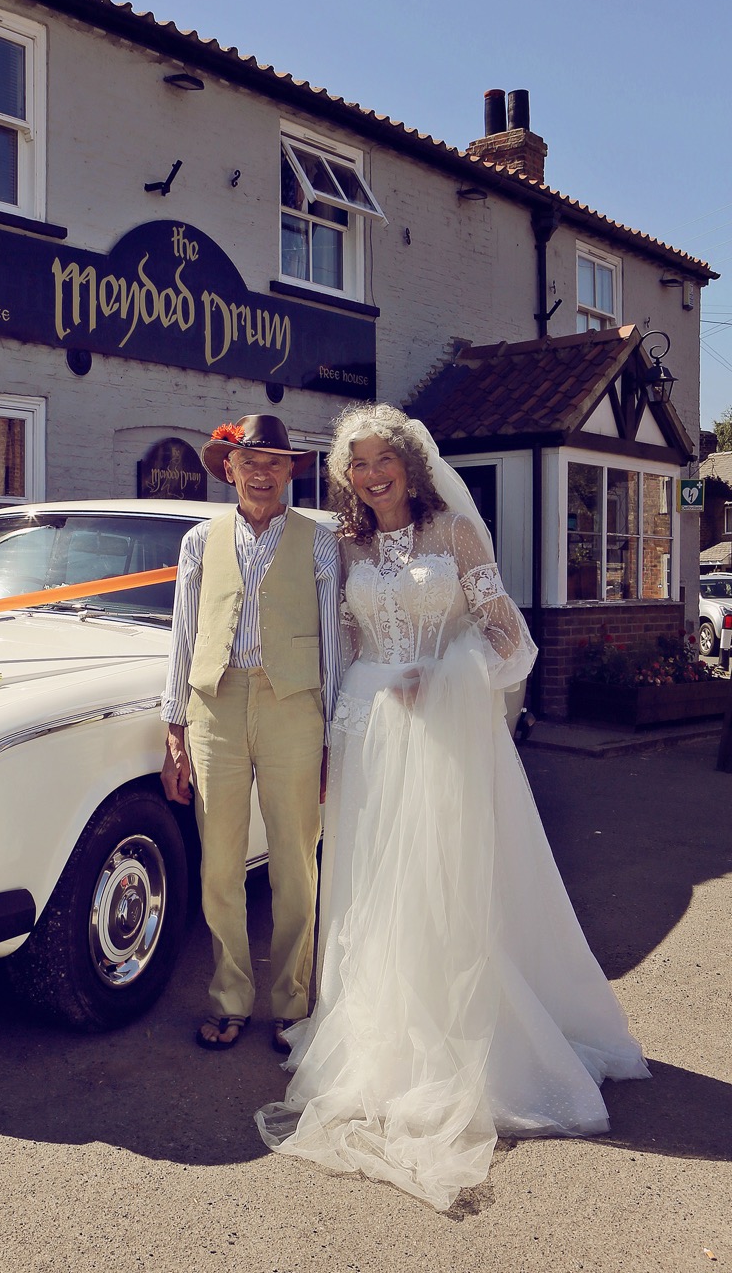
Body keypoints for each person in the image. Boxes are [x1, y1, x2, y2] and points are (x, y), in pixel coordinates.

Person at [255, 402, 650, 1210]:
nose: (370, 475)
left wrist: (442, 675)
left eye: (380, 460)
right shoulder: (345, 543)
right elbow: (345, 643)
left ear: (409, 462)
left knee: (446, 880)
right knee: (375, 886)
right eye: (356, 465)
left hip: (443, 733)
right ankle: (378, 1035)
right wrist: (334, 727)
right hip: (368, 729)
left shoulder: (456, 537)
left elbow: (510, 640)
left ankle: (467, 1043)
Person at [161, 414, 341, 1053]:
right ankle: (229, 998)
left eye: (275, 462)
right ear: (228, 469)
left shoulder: (319, 541)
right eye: (250, 462)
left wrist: (331, 736)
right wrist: (175, 729)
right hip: (216, 705)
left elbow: (332, 645)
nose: (262, 473)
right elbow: (183, 635)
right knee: (220, 862)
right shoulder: (198, 541)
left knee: (296, 859)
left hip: (294, 701)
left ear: (291, 470)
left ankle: (294, 1002)